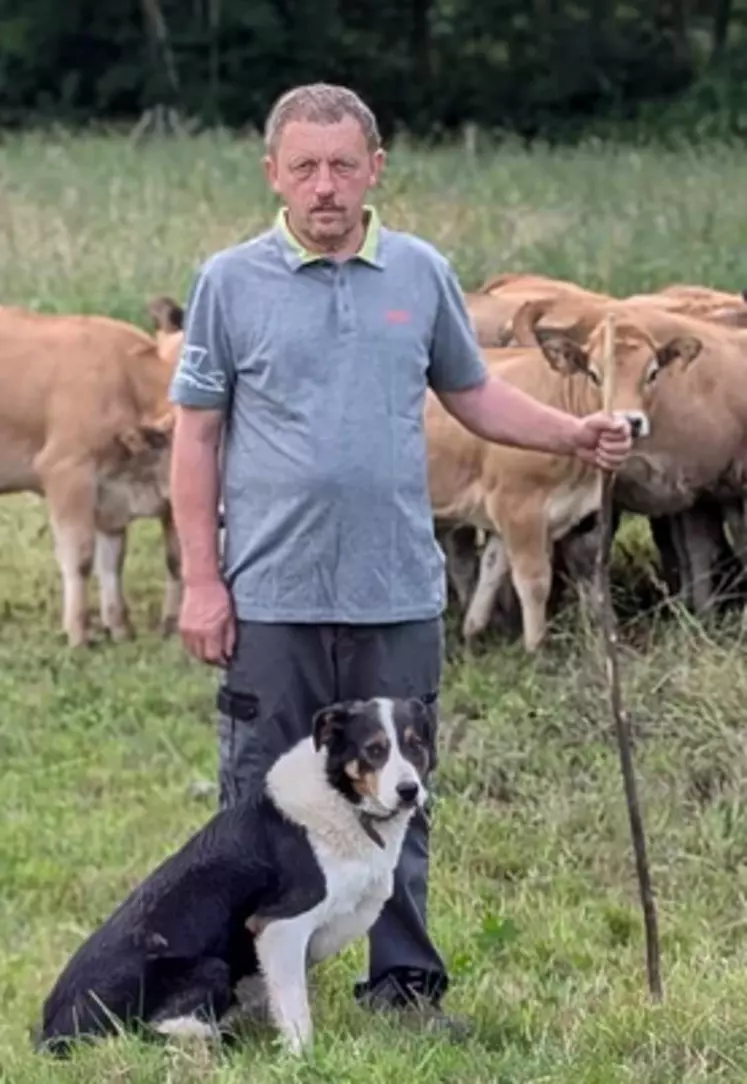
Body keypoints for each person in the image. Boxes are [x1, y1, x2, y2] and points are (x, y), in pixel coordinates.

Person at [167, 82, 632, 1039]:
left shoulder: (419, 274)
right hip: (272, 595)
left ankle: (405, 989)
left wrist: (573, 431)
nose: (324, 185)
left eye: (343, 165)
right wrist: (204, 582)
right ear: (273, 175)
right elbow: (196, 439)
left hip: (396, 592)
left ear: (375, 168)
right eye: (304, 167)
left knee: (401, 798)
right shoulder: (228, 282)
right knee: (255, 799)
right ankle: (236, 991)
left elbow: (474, 396)